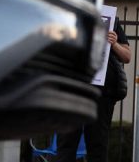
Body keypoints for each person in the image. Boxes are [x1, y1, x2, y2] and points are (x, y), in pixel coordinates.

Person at [55, 17, 131, 162]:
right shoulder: (65, 14)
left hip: (101, 94)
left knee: (98, 144)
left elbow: (127, 56)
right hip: (71, 90)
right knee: (66, 144)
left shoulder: (111, 19)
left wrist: (114, 44)